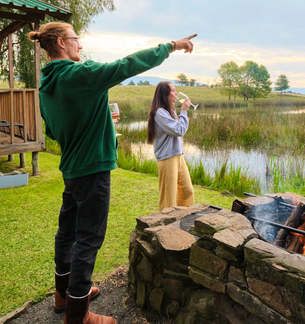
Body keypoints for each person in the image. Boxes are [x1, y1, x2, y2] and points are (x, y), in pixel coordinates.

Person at [28, 22, 196, 324]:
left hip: (72, 168)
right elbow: (127, 65)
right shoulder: (81, 74)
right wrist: (171, 46)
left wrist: (98, 119)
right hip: (93, 169)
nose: (80, 45)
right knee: (89, 238)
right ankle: (77, 315)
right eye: (76, 39)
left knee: (66, 233)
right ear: (61, 43)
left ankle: (63, 294)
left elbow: (53, 130)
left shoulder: (46, 85)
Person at [147, 81, 195, 210]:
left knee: (187, 191)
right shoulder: (160, 113)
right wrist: (184, 112)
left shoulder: (170, 111)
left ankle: (181, 218)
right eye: (173, 90)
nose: (176, 93)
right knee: (169, 197)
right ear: (165, 94)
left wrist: (180, 114)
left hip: (178, 155)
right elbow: (179, 130)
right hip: (167, 158)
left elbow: (178, 130)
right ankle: (164, 225)